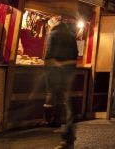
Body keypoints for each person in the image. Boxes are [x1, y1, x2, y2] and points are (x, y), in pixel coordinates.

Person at [44, 18, 79, 149]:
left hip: (57, 70)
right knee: (67, 103)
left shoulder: (52, 34)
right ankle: (68, 136)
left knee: (59, 102)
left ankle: (62, 134)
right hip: (70, 70)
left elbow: (48, 55)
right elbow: (76, 53)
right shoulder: (71, 36)